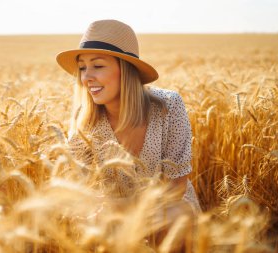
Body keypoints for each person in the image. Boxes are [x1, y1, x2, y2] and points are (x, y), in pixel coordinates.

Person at [56, 20, 201, 217]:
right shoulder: (84, 122)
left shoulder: (168, 106)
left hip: (167, 215)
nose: (86, 77)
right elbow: (82, 195)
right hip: (112, 221)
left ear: (126, 70)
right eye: (82, 68)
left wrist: (127, 213)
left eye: (97, 65)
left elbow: (175, 188)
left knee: (173, 216)